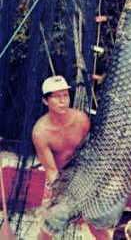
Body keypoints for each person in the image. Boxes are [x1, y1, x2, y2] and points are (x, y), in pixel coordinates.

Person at [32, 75, 91, 239]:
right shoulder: (40, 132)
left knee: (97, 223)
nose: (62, 101)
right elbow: (51, 170)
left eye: (65, 95)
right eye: (57, 97)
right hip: (57, 178)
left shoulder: (82, 120)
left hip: (83, 175)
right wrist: (63, 195)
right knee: (49, 225)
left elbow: (91, 151)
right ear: (45, 101)